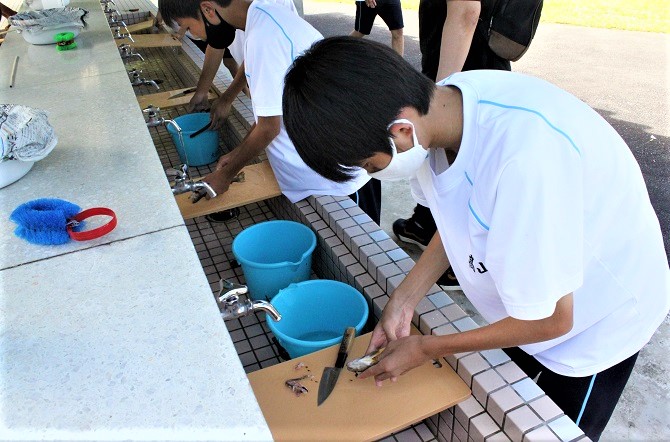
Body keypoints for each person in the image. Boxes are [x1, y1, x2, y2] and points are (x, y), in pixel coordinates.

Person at [281, 37, 670, 441]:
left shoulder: (525, 162)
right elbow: (458, 219)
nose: (374, 174)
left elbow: (554, 319)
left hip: (597, 319)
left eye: (369, 164)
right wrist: (404, 299)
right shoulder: (442, 110)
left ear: (400, 131)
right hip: (534, 298)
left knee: (553, 428)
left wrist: (429, 348)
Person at [157, 0, 382, 223]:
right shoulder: (262, 18)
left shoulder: (263, 37)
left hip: (342, 179)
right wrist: (237, 154)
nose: (195, 36)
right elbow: (273, 110)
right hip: (324, 171)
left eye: (188, 27)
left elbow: (269, 127)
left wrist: (225, 175)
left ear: (207, 10)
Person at [394, 0, 512, 289]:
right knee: (443, 168)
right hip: (470, 67)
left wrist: (440, 94)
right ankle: (424, 224)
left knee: (467, 175)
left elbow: (466, 11)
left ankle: (462, 266)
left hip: (466, 74)